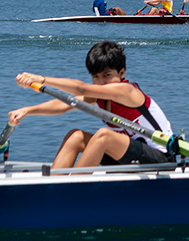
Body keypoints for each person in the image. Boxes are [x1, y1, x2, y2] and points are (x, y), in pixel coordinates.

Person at [9, 40, 175, 169]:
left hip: (161, 158)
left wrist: (42, 79)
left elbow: (80, 88)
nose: (101, 82)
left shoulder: (126, 91)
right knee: (76, 137)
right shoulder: (101, 96)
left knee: (104, 136)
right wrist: (28, 110)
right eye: (96, 77)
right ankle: (52, 185)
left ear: (121, 72)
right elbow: (65, 104)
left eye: (107, 75)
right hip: (129, 155)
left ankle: (74, 187)